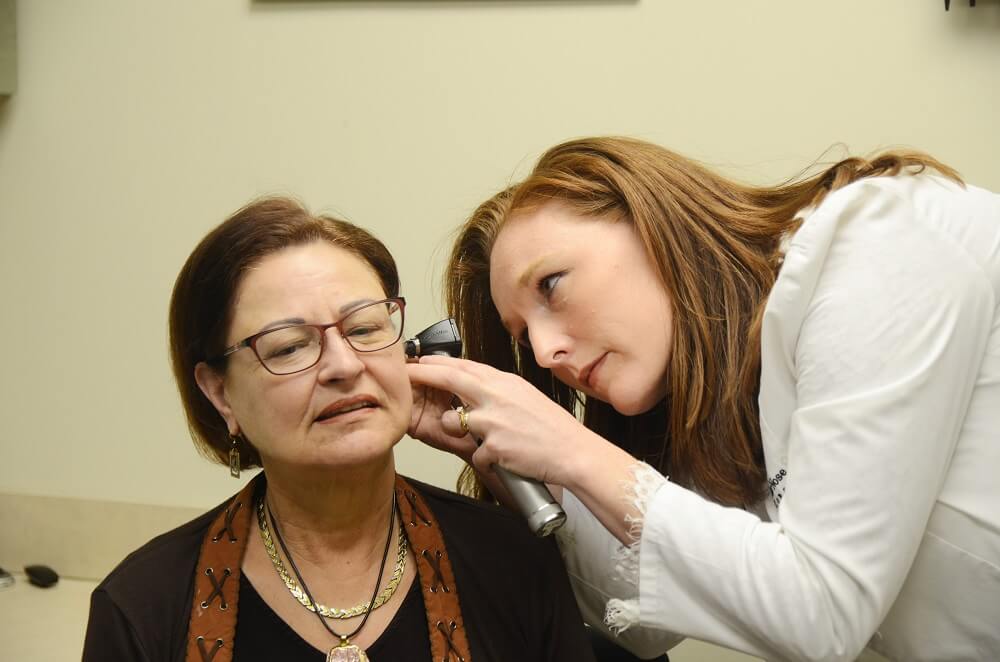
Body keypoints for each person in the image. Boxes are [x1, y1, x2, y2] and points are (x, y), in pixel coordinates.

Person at [407, 137, 1000, 662]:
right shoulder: (723, 393)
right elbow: (645, 630)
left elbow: (824, 616)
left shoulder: (876, 245)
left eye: (552, 285)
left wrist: (569, 448)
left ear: (651, 221)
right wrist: (522, 468)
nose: (543, 353)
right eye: (523, 336)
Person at [82, 197, 598, 662]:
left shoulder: (514, 564)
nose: (344, 366)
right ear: (220, 393)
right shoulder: (144, 607)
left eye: (365, 328)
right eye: (289, 346)